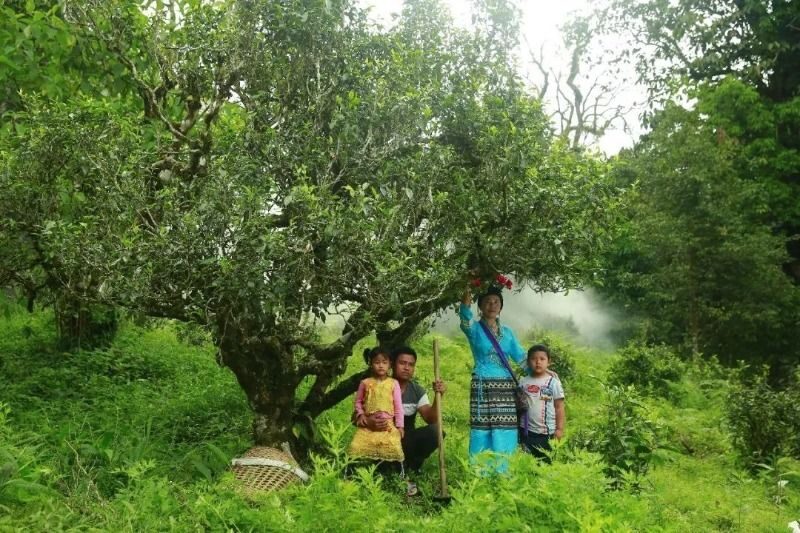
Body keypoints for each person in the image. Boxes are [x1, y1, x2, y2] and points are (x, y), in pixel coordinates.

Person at [357, 345, 446, 496]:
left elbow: (431, 419)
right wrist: (369, 421)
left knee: (436, 431)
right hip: (379, 440)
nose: (407, 368)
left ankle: (411, 467)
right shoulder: (377, 385)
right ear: (392, 364)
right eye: (402, 363)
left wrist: (439, 396)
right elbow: (355, 417)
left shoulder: (417, 390)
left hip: (404, 440)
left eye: (411, 365)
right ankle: (388, 469)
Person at [459, 281, 527, 473]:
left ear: (501, 306)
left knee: (504, 426)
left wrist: (542, 369)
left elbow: (521, 357)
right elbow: (465, 320)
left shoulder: (508, 333)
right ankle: (480, 470)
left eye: (496, 301)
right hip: (482, 385)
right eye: (487, 301)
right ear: (480, 306)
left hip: (505, 387)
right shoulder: (474, 329)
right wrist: (466, 296)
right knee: (482, 427)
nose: (492, 305)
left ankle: (504, 470)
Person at [348, 347, 405, 464]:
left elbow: (398, 407)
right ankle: (353, 470)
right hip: (367, 425)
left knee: (394, 448)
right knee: (355, 446)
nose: (381, 366)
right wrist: (361, 415)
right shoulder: (365, 383)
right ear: (371, 364)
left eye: (384, 362)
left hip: (387, 425)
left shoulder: (393, 383)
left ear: (390, 364)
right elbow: (358, 402)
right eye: (377, 362)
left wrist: (400, 426)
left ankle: (395, 472)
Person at [519, 344, 565, 462]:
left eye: (542, 359)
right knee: (527, 464)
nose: (538, 362)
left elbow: (559, 407)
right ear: (528, 362)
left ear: (549, 362)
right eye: (534, 359)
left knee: (545, 465)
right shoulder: (523, 382)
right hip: (525, 432)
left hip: (546, 434)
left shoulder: (553, 383)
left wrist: (559, 429)